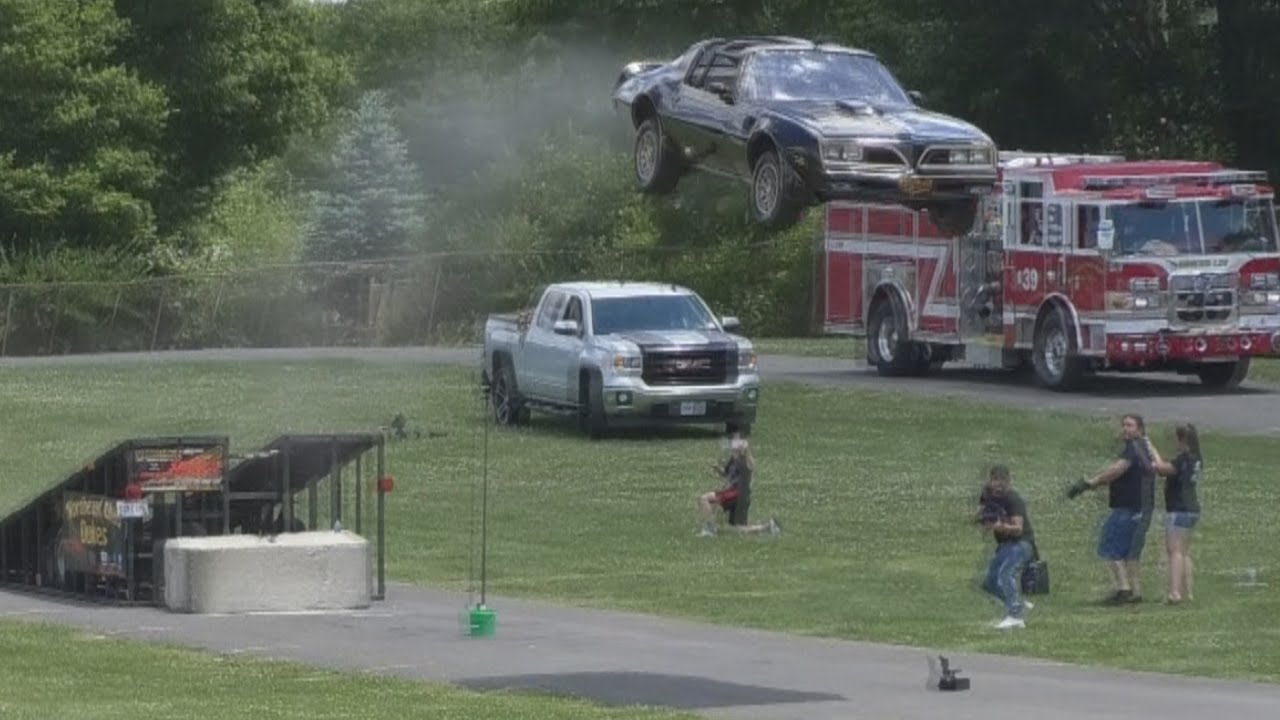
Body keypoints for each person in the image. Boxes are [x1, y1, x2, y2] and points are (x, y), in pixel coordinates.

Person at [1067, 413, 1155, 604]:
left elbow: (1117, 470)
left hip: (1127, 508)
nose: (1125, 429)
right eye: (1124, 425)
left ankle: (1123, 589)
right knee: (1130, 552)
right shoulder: (1144, 449)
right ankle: (1136, 591)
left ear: (1140, 429)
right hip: (1140, 508)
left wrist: (1091, 482)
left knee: (1109, 546)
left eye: (1130, 425)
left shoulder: (1134, 448)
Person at [1146, 423, 1202, 604]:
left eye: (1177, 438)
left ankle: (1175, 593)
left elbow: (1162, 469)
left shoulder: (1183, 458)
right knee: (1184, 552)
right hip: (1192, 508)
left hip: (1179, 509)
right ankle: (1189, 592)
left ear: (1183, 439)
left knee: (1175, 551)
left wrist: (1152, 450)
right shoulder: (1196, 458)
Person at [976, 464, 1035, 630]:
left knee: (1005, 574)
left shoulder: (1014, 500)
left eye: (1003, 480)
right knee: (990, 582)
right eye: (996, 479)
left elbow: (1018, 529)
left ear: (1009, 481)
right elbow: (982, 513)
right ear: (990, 481)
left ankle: (1016, 616)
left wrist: (1000, 527)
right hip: (1004, 545)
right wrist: (981, 519)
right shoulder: (988, 494)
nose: (999, 483)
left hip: (1021, 544)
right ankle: (1018, 603)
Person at [697, 432, 780, 537]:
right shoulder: (734, 458)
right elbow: (726, 474)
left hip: (737, 493)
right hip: (738, 495)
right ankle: (768, 527)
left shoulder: (745, 459)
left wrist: (747, 451)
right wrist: (717, 468)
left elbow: (751, 467)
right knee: (739, 528)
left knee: (705, 498)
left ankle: (710, 530)